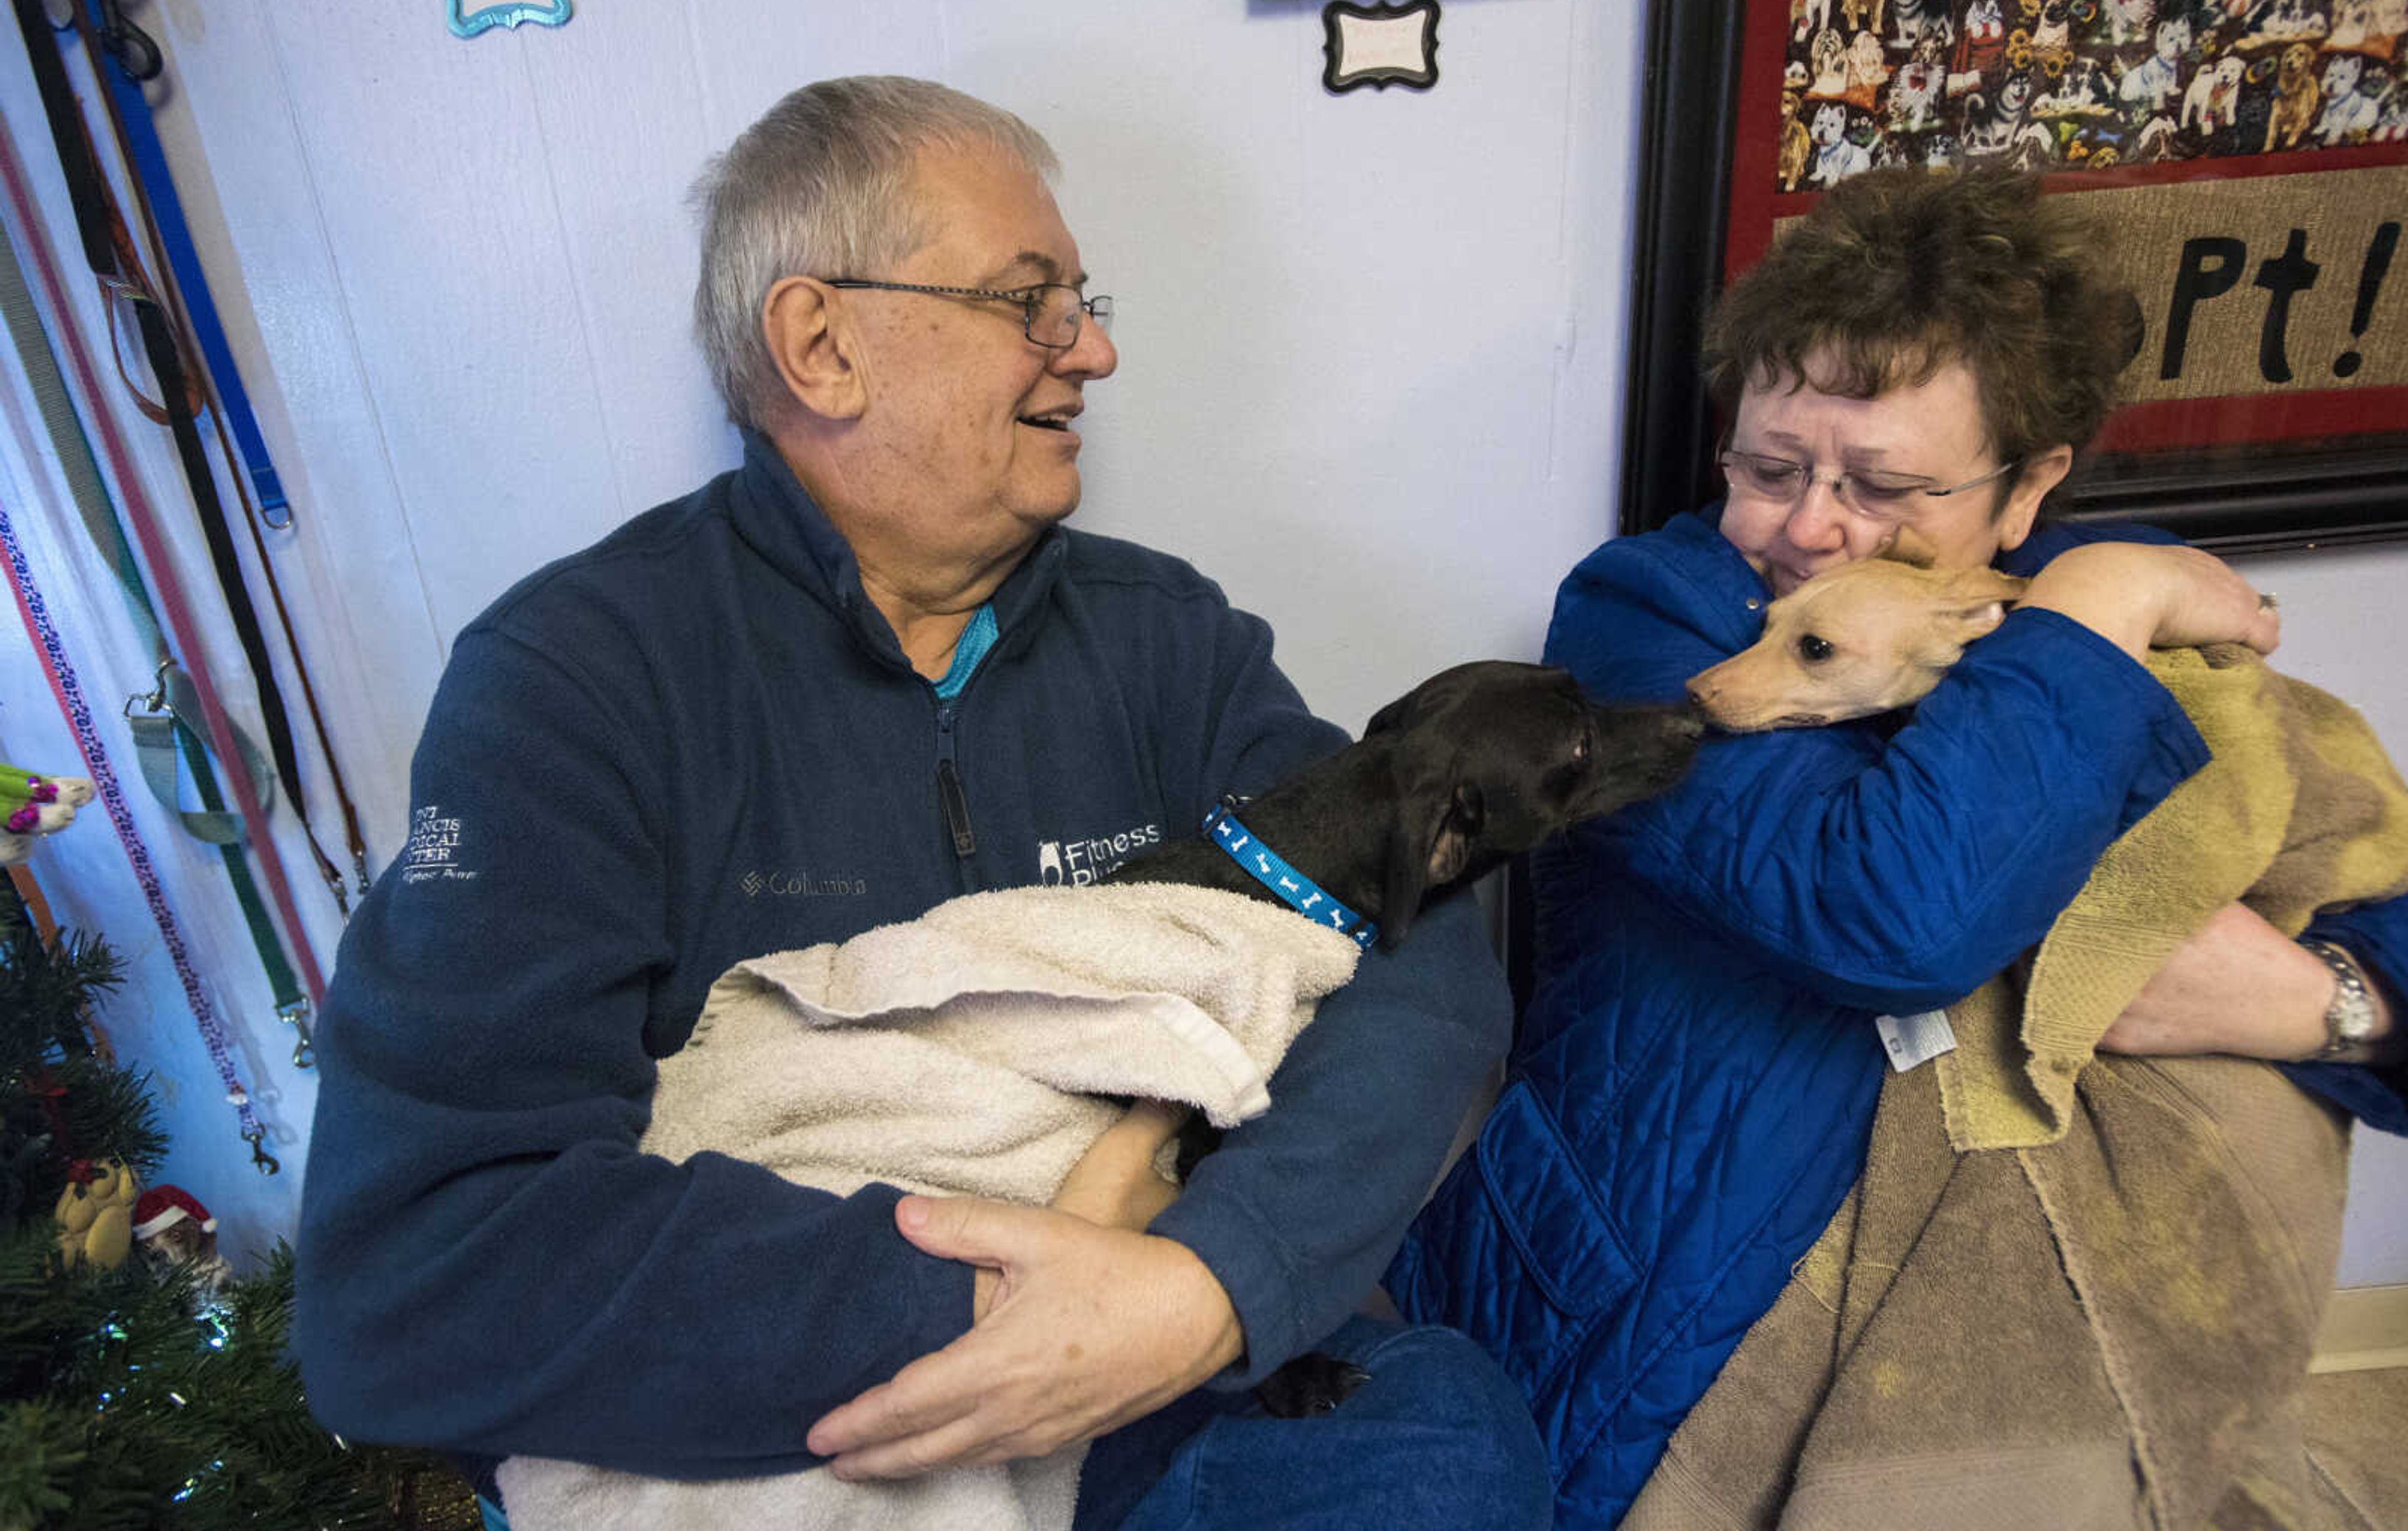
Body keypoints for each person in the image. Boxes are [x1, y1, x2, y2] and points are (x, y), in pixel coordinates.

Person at [293, 75, 1552, 1530]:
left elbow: (1421, 956)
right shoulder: (573, 682)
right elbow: (420, 1270)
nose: (1094, 351)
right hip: (810, 1410)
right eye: (1033, 302)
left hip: (1171, 1347)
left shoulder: (1172, 643)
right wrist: (988, 1300)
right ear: (821, 344)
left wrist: (1210, 1286)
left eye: (1083, 299)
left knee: (1442, 1451)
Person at [1386, 166, 2408, 1524]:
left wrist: (2327, 999)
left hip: (2050, 1349)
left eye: (1884, 484)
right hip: (1681, 1322)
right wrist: (2105, 597)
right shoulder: (1657, 627)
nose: (1811, 530)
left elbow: (2339, 845)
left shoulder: (2102, 637)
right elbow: (1896, 915)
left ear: (2029, 485)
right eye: (1767, 467)